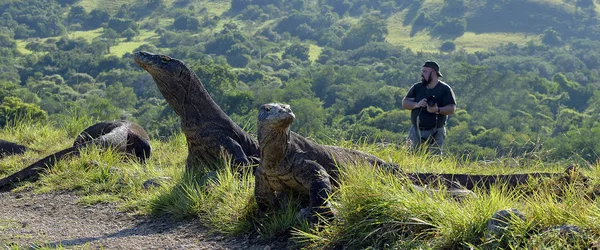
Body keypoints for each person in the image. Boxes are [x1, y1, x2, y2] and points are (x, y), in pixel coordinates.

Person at [402, 60, 456, 155]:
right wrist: (416, 104)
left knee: (434, 159)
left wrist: (437, 110)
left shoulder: (445, 89)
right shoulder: (417, 87)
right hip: (416, 130)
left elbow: (452, 108)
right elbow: (405, 103)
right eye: (422, 71)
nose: (422, 74)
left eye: (425, 72)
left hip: (437, 131)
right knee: (411, 156)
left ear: (434, 73)